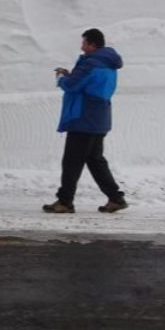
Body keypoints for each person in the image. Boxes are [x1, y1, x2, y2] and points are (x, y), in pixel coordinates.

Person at [43, 28, 129, 214]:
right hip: (99, 118)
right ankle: (115, 198)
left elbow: (73, 86)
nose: (82, 47)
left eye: (84, 43)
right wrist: (71, 75)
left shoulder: (90, 64)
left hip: (83, 118)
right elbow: (88, 84)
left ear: (92, 44)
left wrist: (62, 79)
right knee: (95, 160)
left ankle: (65, 201)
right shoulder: (108, 63)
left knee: (71, 162)